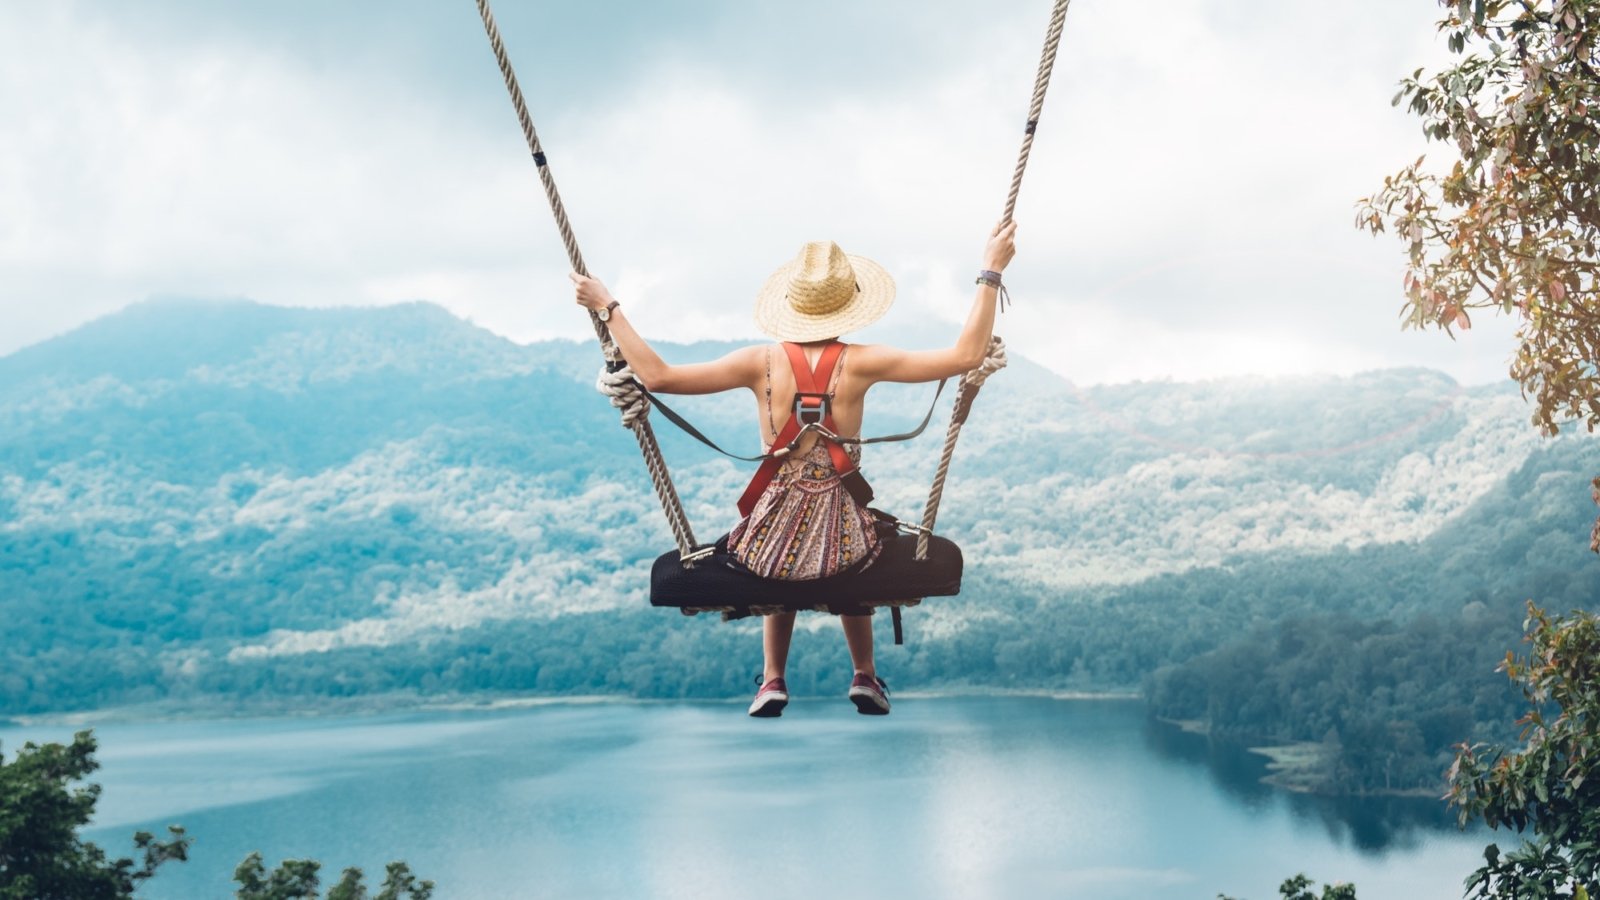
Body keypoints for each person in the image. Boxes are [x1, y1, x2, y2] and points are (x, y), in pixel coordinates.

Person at [570, 220, 1018, 717]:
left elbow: (658, 376)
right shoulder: (863, 362)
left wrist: (608, 308)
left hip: (770, 542)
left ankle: (773, 679)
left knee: (773, 563)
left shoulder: (758, 362)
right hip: (844, 542)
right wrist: (990, 270)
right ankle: (865, 674)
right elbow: (965, 355)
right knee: (862, 542)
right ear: (849, 302)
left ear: (790, 306)